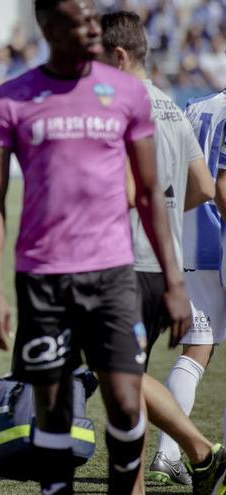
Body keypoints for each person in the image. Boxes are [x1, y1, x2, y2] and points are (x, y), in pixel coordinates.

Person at [0, 1, 193, 494]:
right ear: (50, 28)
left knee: (123, 400)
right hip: (42, 279)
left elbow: (146, 192)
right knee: (53, 413)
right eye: (81, 20)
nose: (93, 28)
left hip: (113, 275)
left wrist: (174, 282)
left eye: (95, 17)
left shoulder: (125, 93)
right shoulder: (10, 99)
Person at [99, 11, 226, 491]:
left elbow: (125, 188)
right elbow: (203, 186)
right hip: (165, 262)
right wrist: (170, 214)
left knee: (120, 374)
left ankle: (201, 452)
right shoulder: (171, 106)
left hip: (127, 259)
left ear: (118, 55)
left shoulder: (121, 108)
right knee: (126, 377)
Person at [155, 56, 226, 491]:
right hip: (219, 242)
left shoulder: (197, 105)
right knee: (199, 350)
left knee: (197, 350)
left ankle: (166, 452)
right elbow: (220, 184)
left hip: (189, 238)